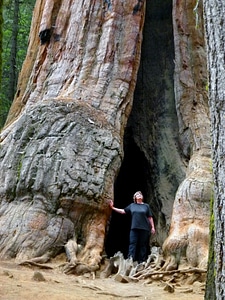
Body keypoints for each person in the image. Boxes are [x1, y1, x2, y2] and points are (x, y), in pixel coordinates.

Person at [109, 191, 155, 263]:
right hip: (134, 228)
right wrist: (113, 208)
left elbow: (150, 217)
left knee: (143, 244)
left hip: (145, 228)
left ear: (142, 197)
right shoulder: (132, 205)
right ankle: (130, 259)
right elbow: (123, 211)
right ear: (135, 198)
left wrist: (152, 227)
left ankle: (142, 261)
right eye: (137, 194)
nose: (139, 195)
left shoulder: (146, 206)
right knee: (132, 243)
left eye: (140, 194)